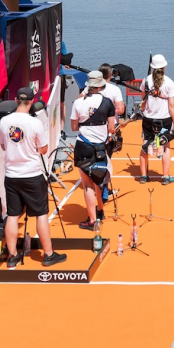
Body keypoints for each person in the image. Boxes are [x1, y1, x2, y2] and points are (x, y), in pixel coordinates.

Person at [0, 88, 66, 268]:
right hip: (32, 175)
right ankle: (48, 254)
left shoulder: (4, 121)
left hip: (11, 175)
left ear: (15, 100)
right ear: (31, 101)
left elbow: (4, 146)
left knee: (13, 215)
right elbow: (43, 149)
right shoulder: (35, 123)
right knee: (41, 214)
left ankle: (12, 256)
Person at [71, 70, 119, 230]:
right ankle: (100, 210)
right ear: (101, 86)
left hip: (83, 146)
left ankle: (92, 221)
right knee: (100, 181)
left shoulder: (78, 103)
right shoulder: (107, 103)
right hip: (100, 146)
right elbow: (111, 128)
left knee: (87, 185)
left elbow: (73, 127)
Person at [138, 55, 174, 185]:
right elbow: (171, 106)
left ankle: (143, 176)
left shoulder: (145, 81)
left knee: (145, 146)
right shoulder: (169, 82)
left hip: (149, 119)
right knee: (165, 146)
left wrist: (144, 112)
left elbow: (143, 101)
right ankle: (165, 177)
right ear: (164, 66)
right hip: (165, 119)